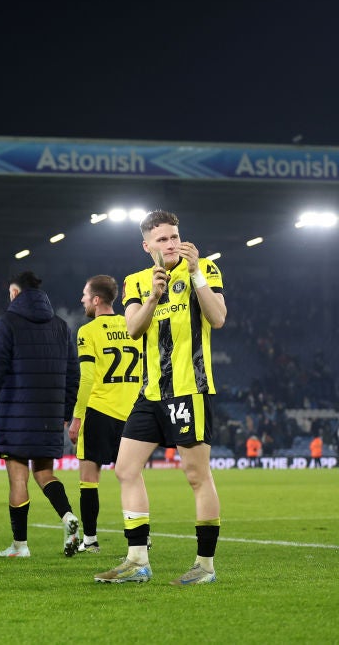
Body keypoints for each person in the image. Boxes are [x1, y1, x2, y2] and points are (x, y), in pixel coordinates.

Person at [95, 209, 226, 586]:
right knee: (124, 468)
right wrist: (153, 296)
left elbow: (217, 318)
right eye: (163, 239)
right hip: (151, 391)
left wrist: (198, 271)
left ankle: (205, 566)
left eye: (175, 237)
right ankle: (138, 561)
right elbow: (133, 329)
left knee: (196, 475)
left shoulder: (203, 270)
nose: (171, 244)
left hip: (189, 388)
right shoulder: (137, 282)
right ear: (146, 246)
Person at [0, 271, 81, 559]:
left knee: (18, 480)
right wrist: (66, 410)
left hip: (15, 413)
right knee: (45, 472)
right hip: (50, 412)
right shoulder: (61, 326)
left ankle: (20, 546)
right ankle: (68, 515)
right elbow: (74, 373)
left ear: (14, 293)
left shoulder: (6, 323)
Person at [67, 275, 139, 554]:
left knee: (88, 479)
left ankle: (91, 541)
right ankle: (141, 537)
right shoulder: (133, 324)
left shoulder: (88, 331)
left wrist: (77, 418)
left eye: (85, 295)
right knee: (132, 477)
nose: (82, 299)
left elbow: (86, 378)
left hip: (99, 410)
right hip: (132, 412)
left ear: (97, 300)